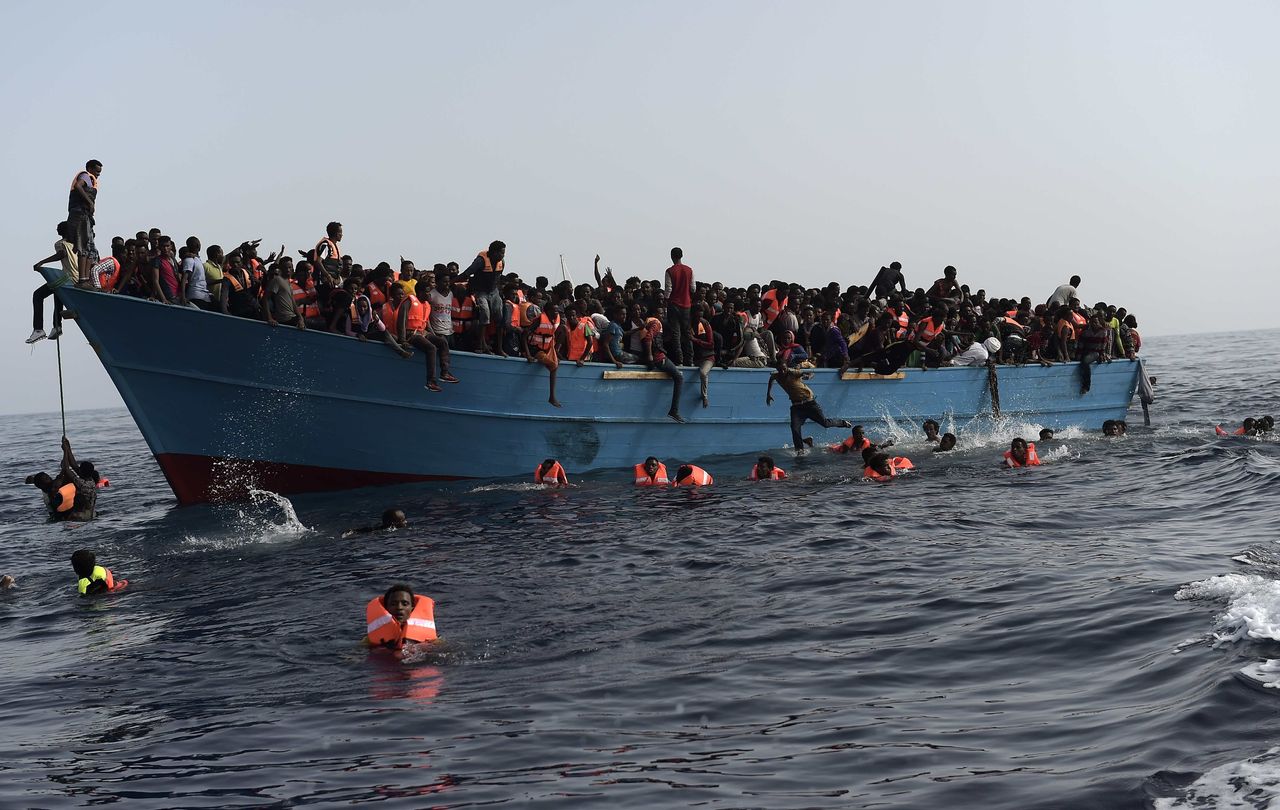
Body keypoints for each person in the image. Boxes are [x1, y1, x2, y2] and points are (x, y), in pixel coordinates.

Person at [766, 357, 851, 451]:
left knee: (825, 423)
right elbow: (771, 379)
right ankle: (800, 450)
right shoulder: (777, 375)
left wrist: (809, 376)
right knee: (794, 428)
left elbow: (809, 373)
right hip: (796, 406)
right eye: (780, 370)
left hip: (809, 403)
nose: (782, 371)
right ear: (777, 369)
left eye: (784, 369)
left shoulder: (793, 372)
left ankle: (843, 422)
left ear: (787, 367)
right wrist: (768, 394)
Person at [385, 282, 456, 392]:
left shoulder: (427, 305)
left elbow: (427, 324)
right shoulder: (409, 301)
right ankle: (431, 381)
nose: (429, 294)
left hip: (423, 333)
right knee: (431, 348)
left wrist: (434, 336)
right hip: (411, 334)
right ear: (420, 292)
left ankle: (444, 373)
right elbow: (402, 320)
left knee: (442, 342)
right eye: (427, 292)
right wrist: (403, 340)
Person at [28, 221, 82, 343]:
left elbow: (61, 254)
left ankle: (38, 329)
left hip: (68, 278)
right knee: (58, 293)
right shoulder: (76, 245)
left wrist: (42, 262)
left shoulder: (60, 243)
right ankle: (57, 326)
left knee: (37, 295)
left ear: (61, 232)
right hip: (77, 279)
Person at [27, 437, 96, 522]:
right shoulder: (90, 480)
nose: (48, 477)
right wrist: (68, 448)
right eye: (45, 477)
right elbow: (73, 466)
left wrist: (65, 451)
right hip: (87, 512)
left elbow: (67, 469)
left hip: (83, 514)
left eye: (46, 476)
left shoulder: (81, 483)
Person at [458, 240, 507, 354]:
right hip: (481, 292)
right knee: (485, 314)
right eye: (501, 253)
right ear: (493, 252)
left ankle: (499, 348)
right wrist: (452, 282)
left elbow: (497, 277)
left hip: (493, 291)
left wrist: (498, 293)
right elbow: (467, 273)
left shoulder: (502, 262)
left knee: (499, 316)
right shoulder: (480, 261)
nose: (502, 255)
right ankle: (482, 344)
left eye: (504, 253)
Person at [365, 583, 437, 652]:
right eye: (393, 604)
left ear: (412, 608)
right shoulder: (370, 639)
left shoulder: (431, 639)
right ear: (386, 608)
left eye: (405, 604)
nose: (399, 607)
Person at [642, 317, 685, 422]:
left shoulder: (648, 324)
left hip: (657, 357)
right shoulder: (657, 323)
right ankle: (674, 410)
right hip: (659, 358)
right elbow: (648, 338)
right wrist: (650, 357)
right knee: (679, 377)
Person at [525, 302, 563, 407]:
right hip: (535, 349)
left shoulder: (557, 319)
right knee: (553, 365)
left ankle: (552, 396)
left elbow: (559, 332)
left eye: (557, 310)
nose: (557, 312)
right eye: (554, 311)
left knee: (556, 363)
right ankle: (552, 397)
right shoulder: (539, 320)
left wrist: (556, 350)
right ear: (548, 312)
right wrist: (528, 354)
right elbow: (525, 335)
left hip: (548, 348)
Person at [67, 159, 102, 267]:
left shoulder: (91, 182)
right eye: (97, 172)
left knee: (90, 248)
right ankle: (83, 279)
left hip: (85, 215)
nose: (98, 175)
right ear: (90, 169)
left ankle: (86, 278)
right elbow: (78, 186)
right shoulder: (85, 176)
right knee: (84, 246)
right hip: (80, 214)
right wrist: (90, 203)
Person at [664, 247, 695, 365]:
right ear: (682, 256)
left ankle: (679, 360)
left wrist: (666, 300)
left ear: (671, 256)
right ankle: (690, 360)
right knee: (687, 333)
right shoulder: (689, 270)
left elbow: (668, 289)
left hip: (674, 304)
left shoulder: (670, 271)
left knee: (676, 334)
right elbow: (693, 288)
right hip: (686, 305)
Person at [343, 509, 408, 537]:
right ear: (393, 523)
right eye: (403, 520)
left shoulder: (377, 528)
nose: (406, 521)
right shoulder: (386, 531)